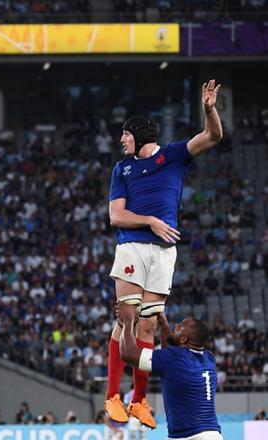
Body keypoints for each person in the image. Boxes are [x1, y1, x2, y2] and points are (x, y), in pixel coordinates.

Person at [105, 79, 223, 428]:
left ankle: (139, 401)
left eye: (126, 135)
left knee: (148, 325)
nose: (122, 140)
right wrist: (152, 221)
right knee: (126, 315)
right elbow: (116, 215)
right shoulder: (122, 169)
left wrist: (209, 110)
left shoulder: (172, 155)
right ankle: (113, 395)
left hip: (164, 253)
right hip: (132, 246)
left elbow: (213, 136)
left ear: (139, 136)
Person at [117, 307, 223, 440]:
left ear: (184, 339)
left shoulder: (173, 358)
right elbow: (171, 358)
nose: (176, 325)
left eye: (180, 327)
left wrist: (127, 320)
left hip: (189, 436)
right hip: (212, 434)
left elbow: (127, 353)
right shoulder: (209, 358)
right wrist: (164, 325)